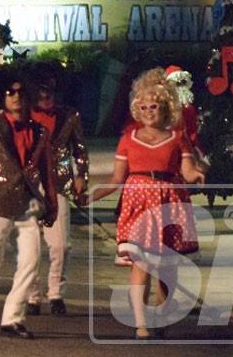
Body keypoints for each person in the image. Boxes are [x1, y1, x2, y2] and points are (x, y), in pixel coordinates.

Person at [82, 68, 204, 339]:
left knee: (167, 270)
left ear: (166, 107)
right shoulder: (128, 140)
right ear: (137, 109)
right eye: (144, 106)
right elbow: (115, 179)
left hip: (169, 202)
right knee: (142, 264)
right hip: (138, 205)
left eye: (155, 106)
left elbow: (187, 171)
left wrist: (196, 174)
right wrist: (89, 197)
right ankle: (141, 325)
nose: (149, 111)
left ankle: (161, 317)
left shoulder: (177, 138)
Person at [0, 64, 58, 339]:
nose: (15, 97)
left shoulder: (40, 132)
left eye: (20, 92)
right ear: (1, 97)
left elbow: (47, 171)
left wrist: (51, 203)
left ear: (27, 96)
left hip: (28, 204)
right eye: (9, 92)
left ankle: (12, 319)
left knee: (31, 261)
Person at [26, 60, 89, 317]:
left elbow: (80, 150)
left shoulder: (69, 116)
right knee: (30, 246)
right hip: (28, 185)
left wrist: (81, 176)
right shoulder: (23, 115)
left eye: (49, 89)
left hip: (58, 184)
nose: (45, 94)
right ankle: (32, 296)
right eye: (40, 89)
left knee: (60, 244)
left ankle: (56, 294)